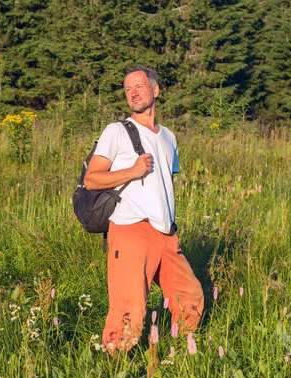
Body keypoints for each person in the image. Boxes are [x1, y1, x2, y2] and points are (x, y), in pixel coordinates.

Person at [84, 65, 205, 353]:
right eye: (127, 89)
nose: (133, 93)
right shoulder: (117, 131)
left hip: (165, 233)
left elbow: (163, 183)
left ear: (155, 90)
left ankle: (179, 356)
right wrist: (131, 170)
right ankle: (115, 368)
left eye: (138, 86)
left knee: (191, 296)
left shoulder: (169, 137)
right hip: (131, 228)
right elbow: (91, 179)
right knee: (129, 310)